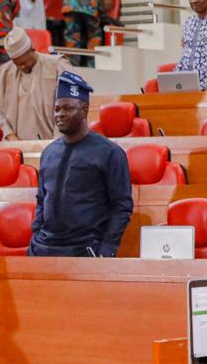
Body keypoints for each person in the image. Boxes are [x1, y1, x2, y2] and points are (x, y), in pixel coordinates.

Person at [29, 72, 132, 257]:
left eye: (68, 108)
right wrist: (36, 234)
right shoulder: (49, 153)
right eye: (57, 109)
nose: (60, 114)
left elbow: (121, 206)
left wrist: (107, 248)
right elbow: (41, 199)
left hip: (86, 250)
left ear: (84, 110)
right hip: (43, 248)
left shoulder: (109, 153)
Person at [0, 26, 68, 141]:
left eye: (24, 62)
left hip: (55, 143)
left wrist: (56, 143)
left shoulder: (57, 66)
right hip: (16, 145)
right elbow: (0, 112)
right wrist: (11, 136)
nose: (21, 67)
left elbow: (68, 107)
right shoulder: (5, 73)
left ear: (32, 49)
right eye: (17, 64)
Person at [63, 0, 100, 66]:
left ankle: (91, 66)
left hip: (87, 1)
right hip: (73, 1)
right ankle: (73, 66)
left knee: (93, 36)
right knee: (72, 36)